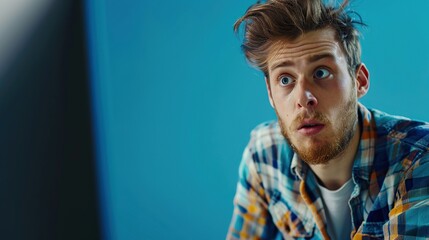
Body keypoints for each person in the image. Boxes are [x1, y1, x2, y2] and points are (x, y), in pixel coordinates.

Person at [227, 0, 429, 239]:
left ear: (359, 81)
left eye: (321, 72)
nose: (303, 98)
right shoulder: (264, 155)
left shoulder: (418, 158)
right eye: (285, 79)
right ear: (270, 94)